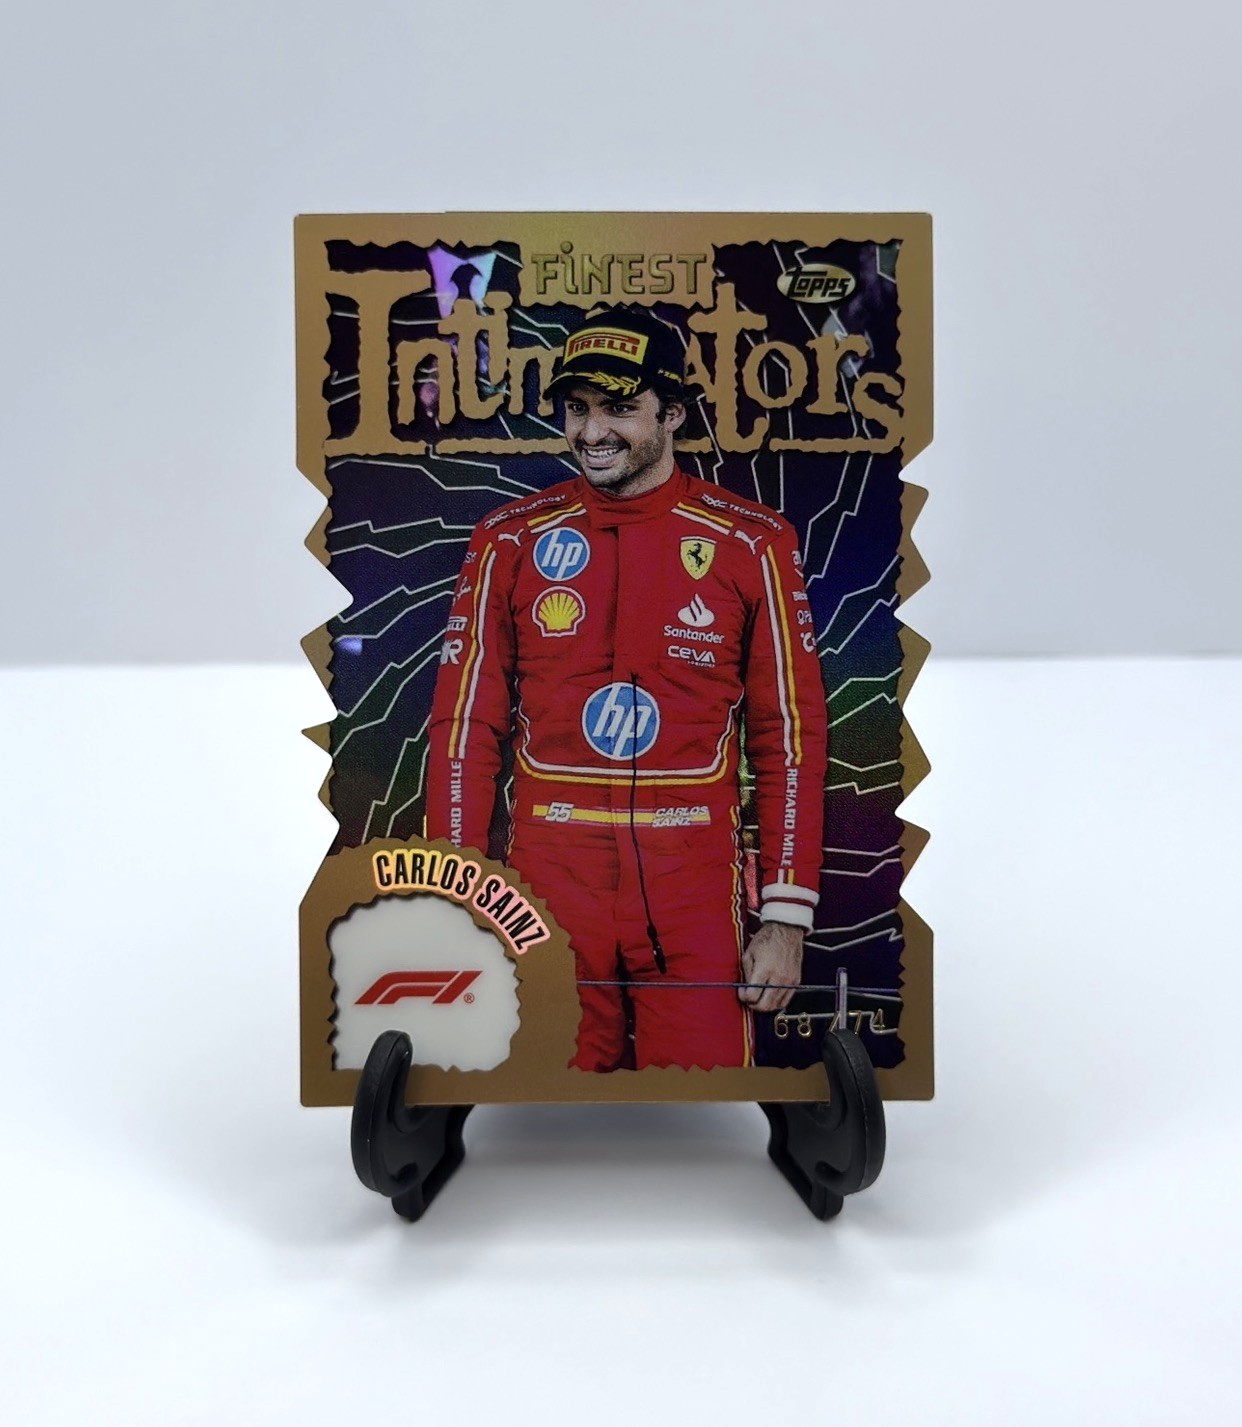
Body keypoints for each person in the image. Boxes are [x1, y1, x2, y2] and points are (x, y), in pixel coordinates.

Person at [425, 306, 828, 1071]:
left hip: (692, 884)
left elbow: (790, 734)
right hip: (548, 885)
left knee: (704, 1103)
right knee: (544, 1101)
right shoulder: (509, 539)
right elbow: (464, 729)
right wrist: (456, 895)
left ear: (672, 413)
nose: (592, 432)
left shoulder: (752, 542)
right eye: (577, 409)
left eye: (618, 407)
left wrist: (785, 916)